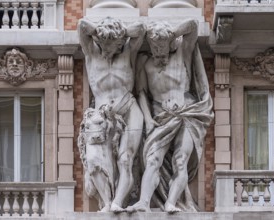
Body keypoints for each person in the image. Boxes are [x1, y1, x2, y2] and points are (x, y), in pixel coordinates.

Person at [127, 19, 213, 213]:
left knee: (180, 160)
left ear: (170, 44)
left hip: (187, 115)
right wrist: (148, 119)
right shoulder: (145, 63)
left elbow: (192, 26)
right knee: (152, 159)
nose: (159, 52)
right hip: (159, 118)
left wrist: (170, 34)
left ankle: (171, 202)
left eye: (162, 48)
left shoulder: (182, 54)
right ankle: (144, 202)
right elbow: (140, 93)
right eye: (155, 48)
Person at [78, 17, 145, 212]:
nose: (107, 50)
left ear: (119, 43)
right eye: (104, 45)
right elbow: (82, 25)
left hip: (128, 109)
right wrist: (103, 33)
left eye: (112, 46)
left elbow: (140, 28)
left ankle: (118, 201)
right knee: (93, 160)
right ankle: (106, 202)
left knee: (125, 160)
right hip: (100, 116)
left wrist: (118, 33)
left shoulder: (128, 52)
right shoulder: (91, 52)